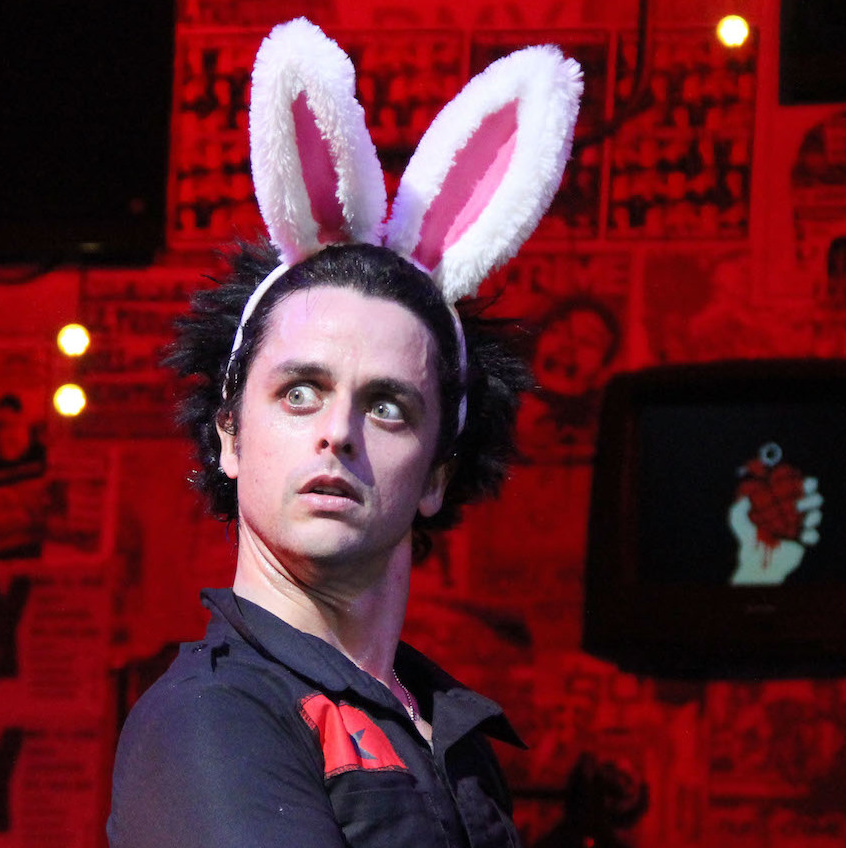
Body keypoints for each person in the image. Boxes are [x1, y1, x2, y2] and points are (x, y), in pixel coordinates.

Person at [107, 18, 583, 848]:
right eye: (299, 392)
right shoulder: (210, 720)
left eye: (387, 407)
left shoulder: (445, 729)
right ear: (228, 433)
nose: (337, 432)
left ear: (437, 473)